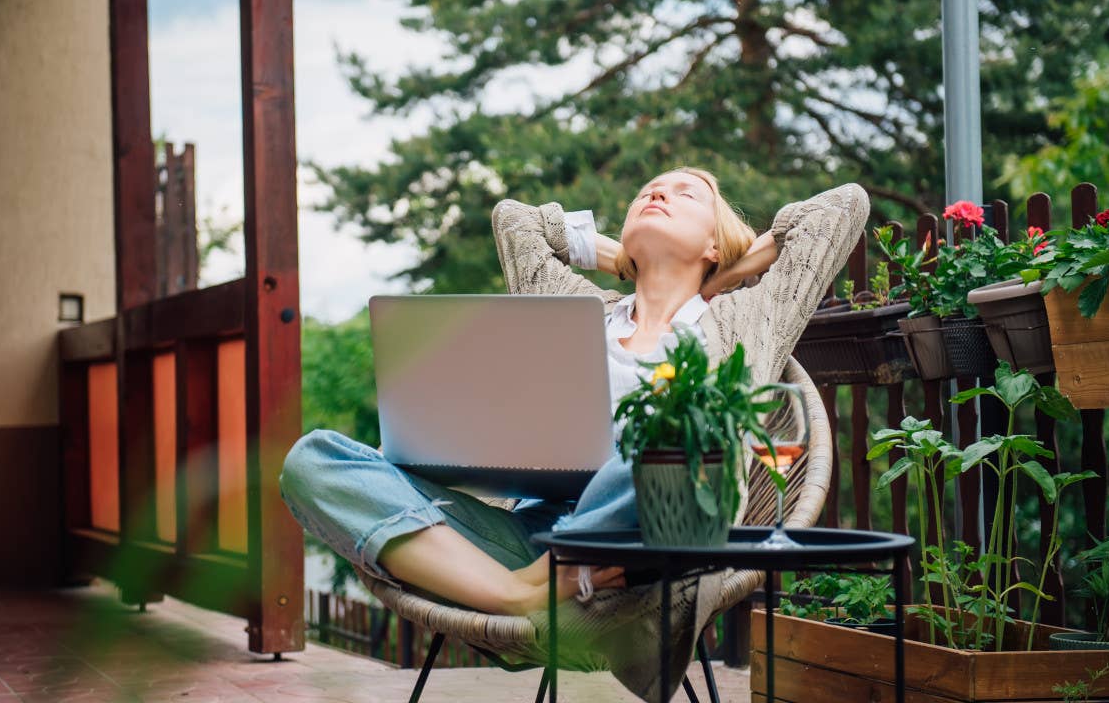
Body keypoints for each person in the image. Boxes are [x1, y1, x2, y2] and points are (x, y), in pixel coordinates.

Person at [280, 168, 868, 617]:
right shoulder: (578, 310)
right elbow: (516, 219)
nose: (657, 195)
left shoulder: (744, 320)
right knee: (313, 460)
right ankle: (514, 595)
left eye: (685, 195)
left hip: (648, 549)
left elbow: (843, 207)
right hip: (538, 545)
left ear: (716, 243)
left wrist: (728, 274)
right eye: (647, 193)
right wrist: (620, 258)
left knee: (676, 428)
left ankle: (537, 582)